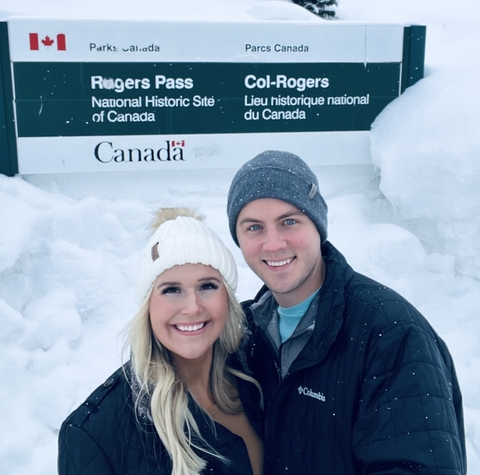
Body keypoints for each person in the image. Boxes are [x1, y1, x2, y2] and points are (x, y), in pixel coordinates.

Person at [227, 150, 466, 475]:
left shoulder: (391, 332)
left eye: (289, 221)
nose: (273, 244)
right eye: (254, 227)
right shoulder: (244, 335)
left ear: (318, 226)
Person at [58, 208, 263, 475]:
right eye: (172, 290)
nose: (192, 307)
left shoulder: (261, 374)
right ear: (148, 305)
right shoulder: (92, 435)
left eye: (207, 286)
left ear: (228, 298)